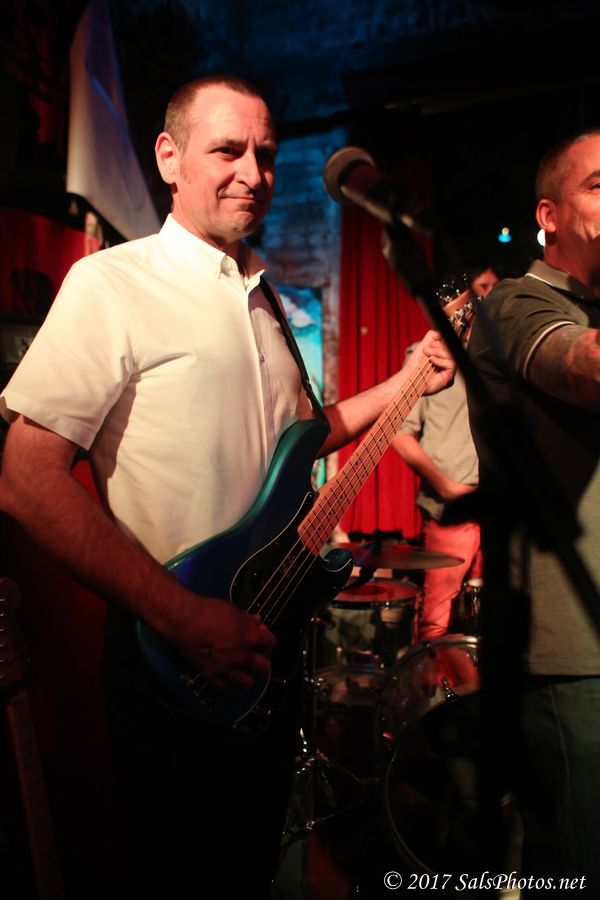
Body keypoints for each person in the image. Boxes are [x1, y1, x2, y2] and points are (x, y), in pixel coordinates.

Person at [0, 75, 455, 898]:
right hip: (172, 654)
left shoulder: (267, 300)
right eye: (228, 150)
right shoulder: (113, 283)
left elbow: (305, 439)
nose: (254, 172)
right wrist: (182, 617)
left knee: (246, 870)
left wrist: (407, 379)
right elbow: (26, 480)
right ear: (168, 158)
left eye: (267, 155)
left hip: (263, 646)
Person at [467, 129, 600, 891]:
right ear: (548, 215)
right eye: (599, 185)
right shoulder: (520, 300)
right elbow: (585, 368)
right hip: (571, 658)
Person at [392, 264, 498, 640]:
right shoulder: (426, 357)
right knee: (437, 618)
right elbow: (399, 435)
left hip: (497, 507)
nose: (487, 297)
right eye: (481, 288)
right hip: (451, 509)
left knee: (491, 620)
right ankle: (432, 677)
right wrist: (447, 487)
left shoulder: (497, 359)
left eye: (494, 288)